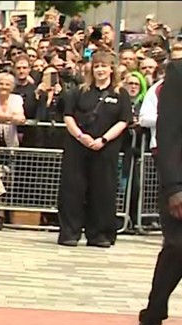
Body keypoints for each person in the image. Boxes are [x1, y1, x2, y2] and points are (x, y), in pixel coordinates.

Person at [58, 50, 131, 247]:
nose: (100, 70)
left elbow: (124, 121)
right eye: (97, 66)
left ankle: (100, 235)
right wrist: (81, 136)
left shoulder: (120, 94)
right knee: (72, 190)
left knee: (103, 191)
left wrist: (103, 140)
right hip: (78, 148)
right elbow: (68, 115)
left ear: (111, 69)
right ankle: (69, 233)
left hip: (105, 149)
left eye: (104, 66)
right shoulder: (79, 91)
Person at [133, 60, 182, 325]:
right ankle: (152, 318)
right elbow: (168, 132)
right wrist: (174, 187)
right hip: (180, 181)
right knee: (178, 249)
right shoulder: (178, 73)